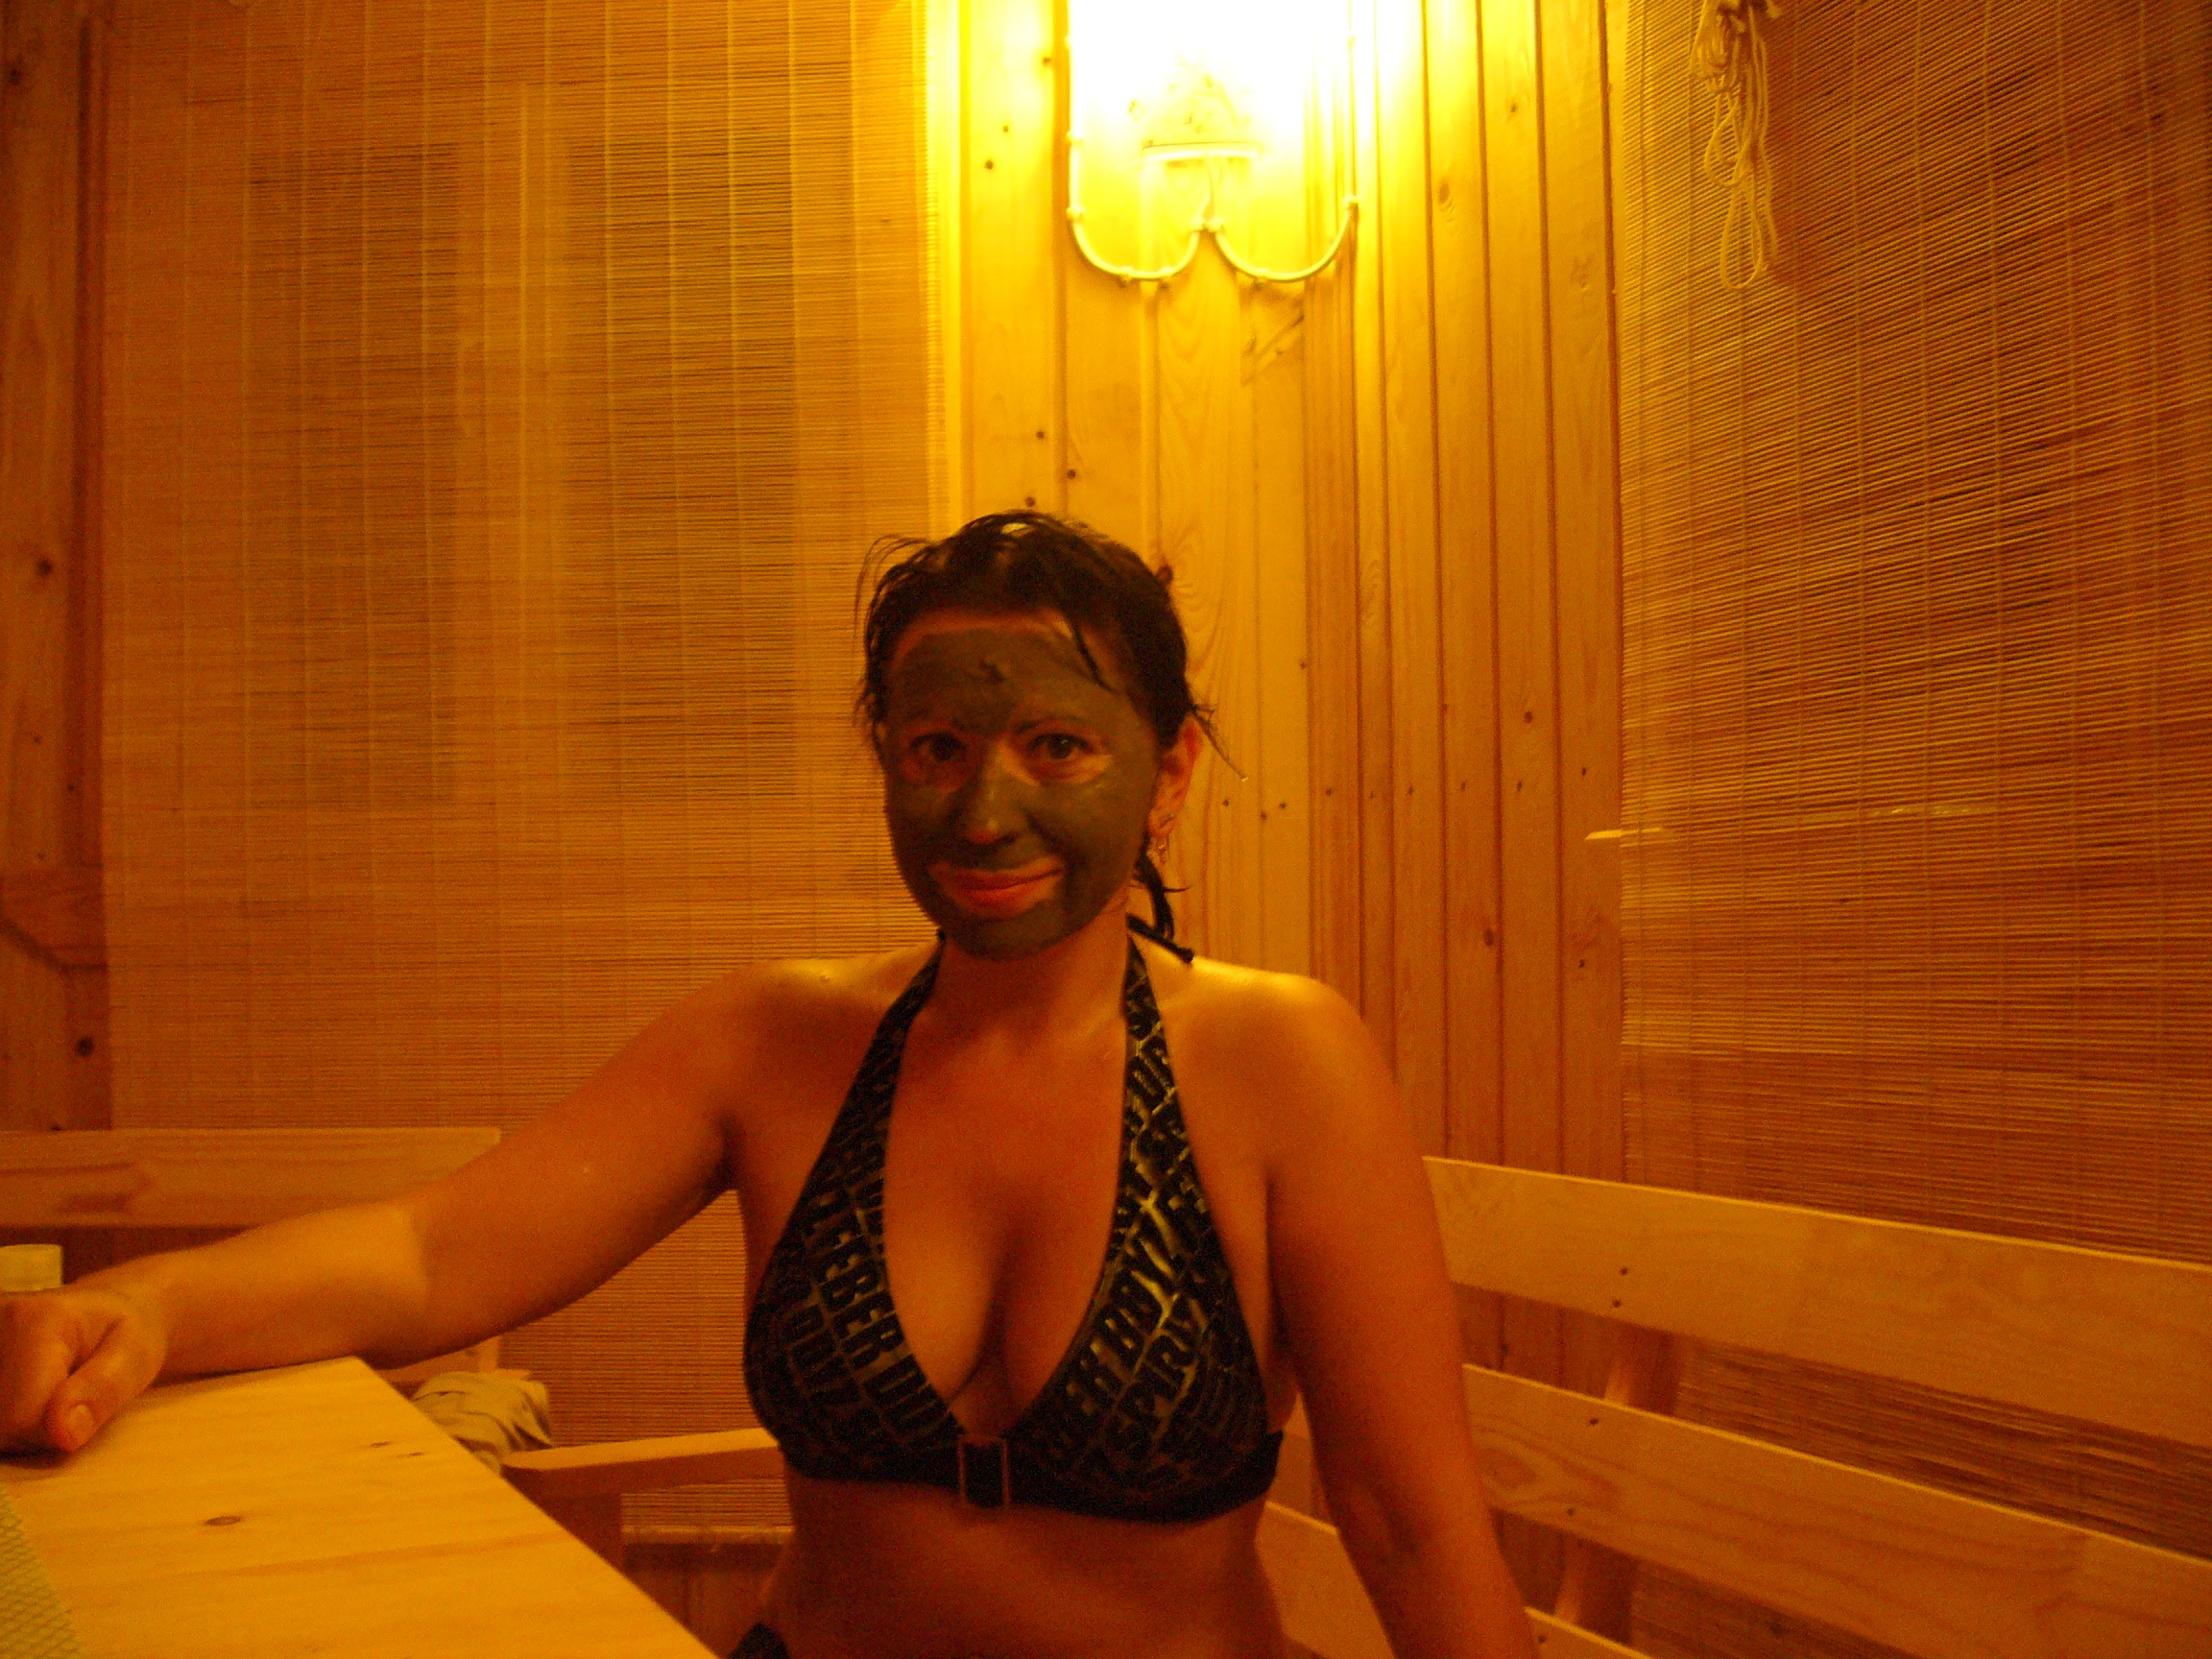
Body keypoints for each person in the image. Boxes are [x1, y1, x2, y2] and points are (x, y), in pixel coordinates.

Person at [0, 512, 1537, 1659]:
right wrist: (143, 1311)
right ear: (887, 757)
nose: (985, 811)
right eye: (937, 747)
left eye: (1060, 746)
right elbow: (432, 1252)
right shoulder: (777, 1044)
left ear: (1173, 769)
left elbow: (1409, 1521)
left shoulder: (1278, 1064)